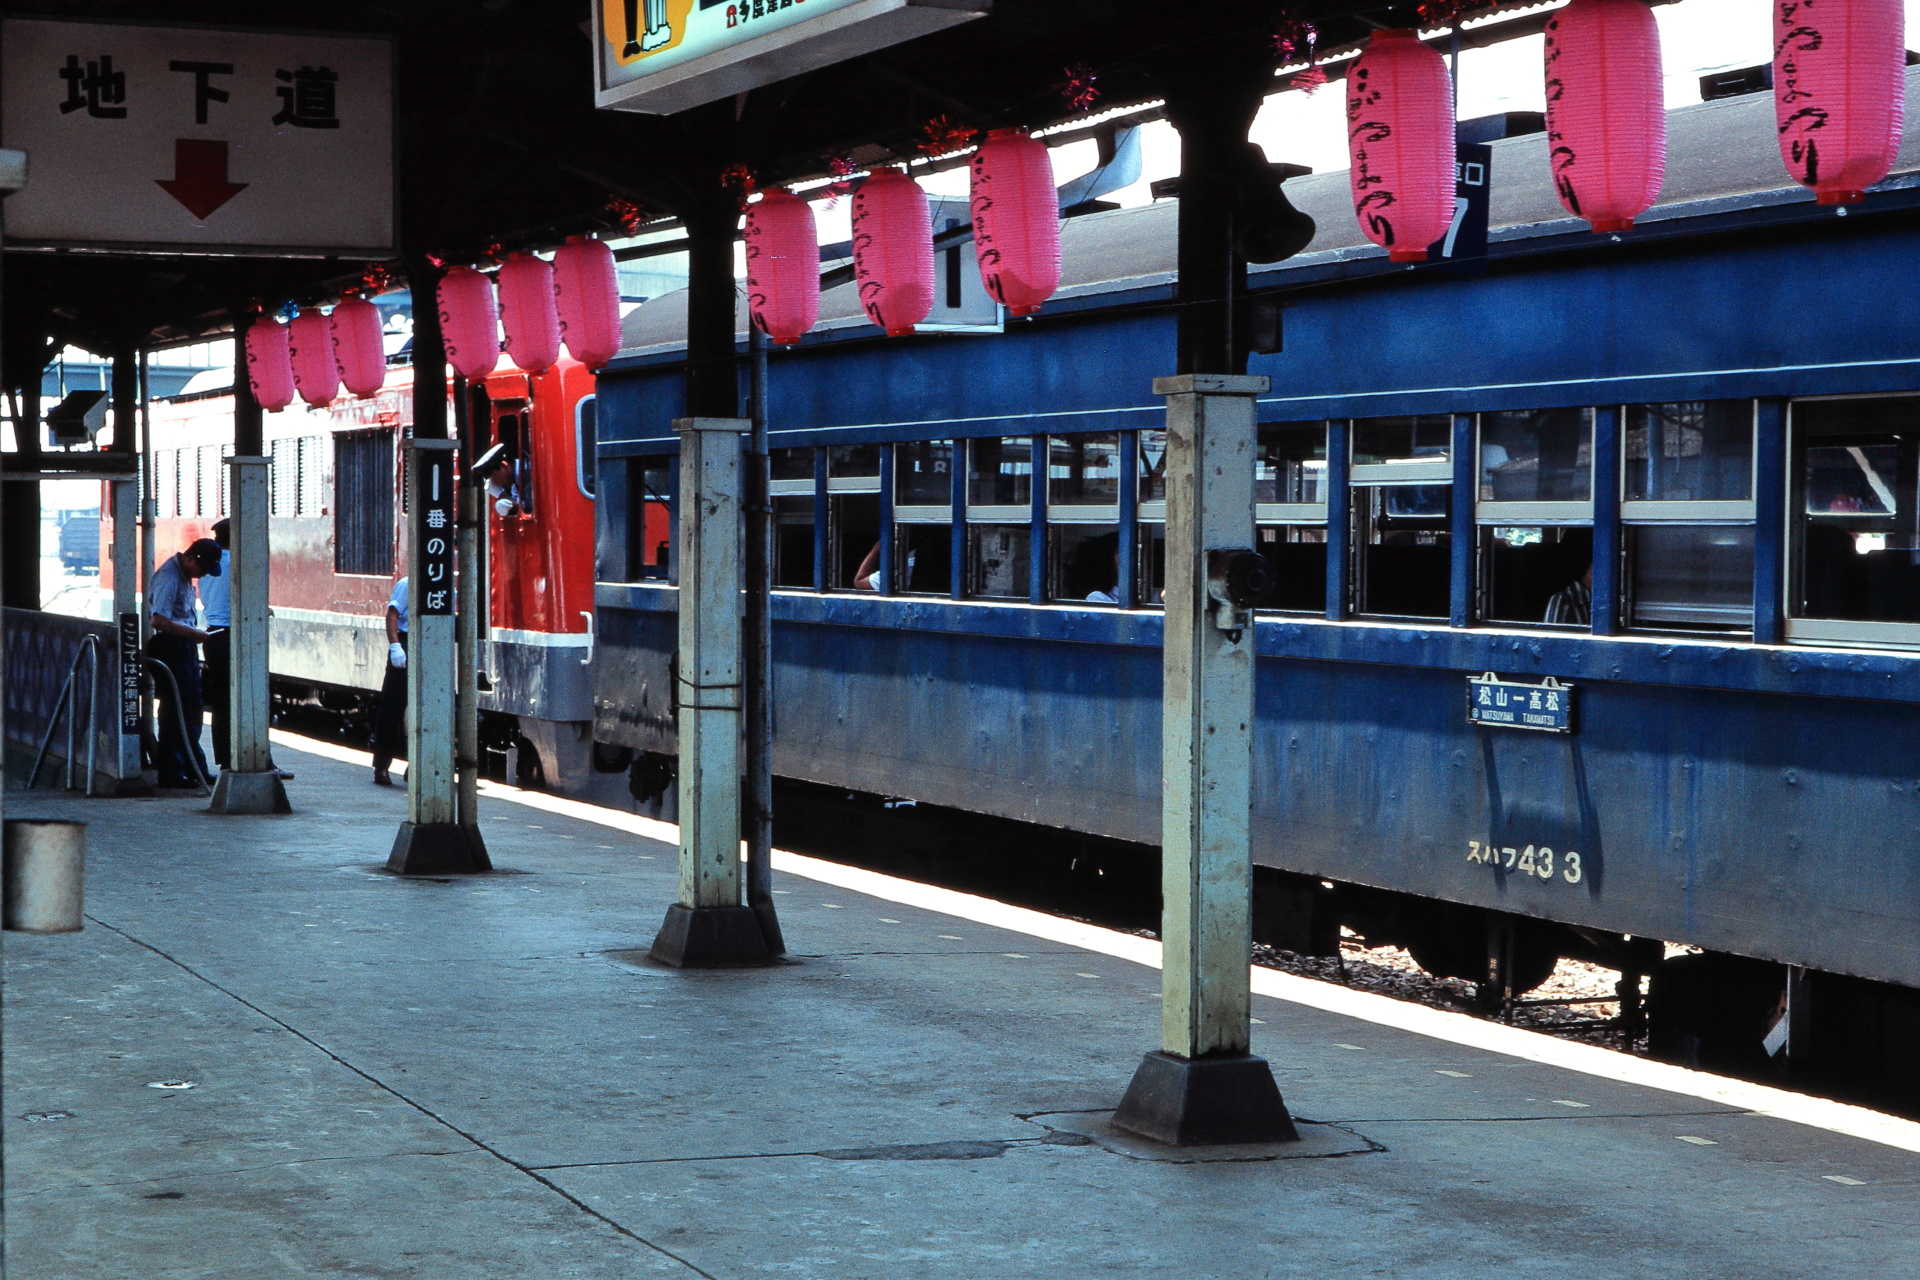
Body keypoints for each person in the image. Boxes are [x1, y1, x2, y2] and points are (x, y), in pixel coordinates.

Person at [147, 538, 222, 787]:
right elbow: (158, 620)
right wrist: (194, 634)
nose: (201, 576)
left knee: (191, 711)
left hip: (183, 646)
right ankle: (172, 772)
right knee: (176, 711)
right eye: (201, 570)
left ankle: (192, 767)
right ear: (191, 558)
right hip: (172, 647)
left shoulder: (185, 575)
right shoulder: (170, 577)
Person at [199, 520, 234, 770]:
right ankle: (256, 758)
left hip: (213, 634)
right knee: (247, 698)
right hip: (232, 636)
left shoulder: (210, 564)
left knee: (221, 702)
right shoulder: (237, 561)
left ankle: (224, 759)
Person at [370, 575, 409, 786]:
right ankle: (382, 767)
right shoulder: (406, 584)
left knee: (436, 708)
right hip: (405, 643)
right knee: (392, 708)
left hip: (431, 642)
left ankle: (420, 765)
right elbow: (392, 615)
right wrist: (396, 646)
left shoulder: (445, 584)